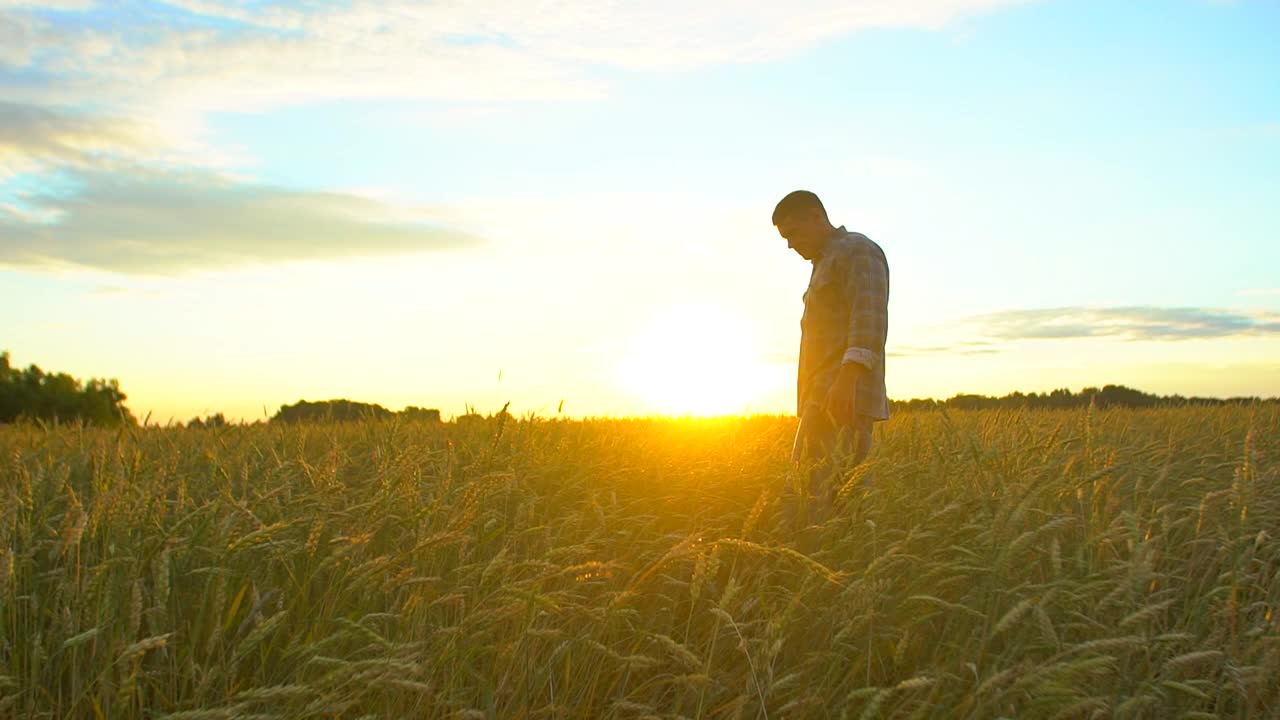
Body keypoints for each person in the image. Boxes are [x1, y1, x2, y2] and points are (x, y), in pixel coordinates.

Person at [773, 190, 889, 520]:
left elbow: (869, 318)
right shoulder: (826, 261)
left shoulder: (856, 249)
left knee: (829, 503)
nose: (790, 245)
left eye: (793, 233)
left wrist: (846, 381)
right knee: (811, 497)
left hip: (841, 398)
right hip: (822, 398)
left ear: (815, 217)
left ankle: (845, 568)